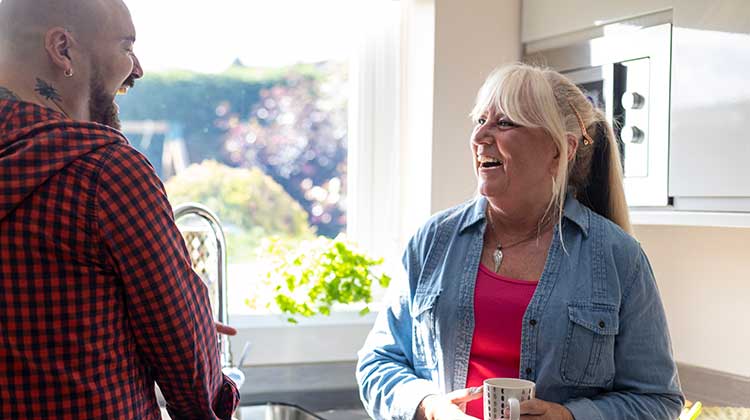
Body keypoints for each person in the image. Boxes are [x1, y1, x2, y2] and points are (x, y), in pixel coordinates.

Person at [356, 63, 684, 420]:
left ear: (561, 150)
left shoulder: (618, 257)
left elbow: (657, 401)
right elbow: (379, 362)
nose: (480, 137)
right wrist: (430, 407)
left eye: (505, 123)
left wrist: (569, 417)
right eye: (480, 120)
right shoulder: (433, 241)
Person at [0, 0, 240, 418]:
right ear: (62, 49)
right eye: (126, 46)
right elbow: (193, 385)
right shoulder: (107, 174)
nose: (138, 69)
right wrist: (207, 359)